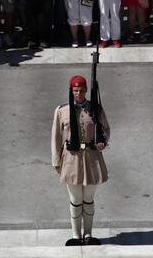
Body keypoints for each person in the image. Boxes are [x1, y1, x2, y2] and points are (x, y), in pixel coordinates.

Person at [51, 75, 110, 246]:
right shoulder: (61, 110)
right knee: (75, 198)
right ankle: (76, 235)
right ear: (71, 91)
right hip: (71, 158)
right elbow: (56, 138)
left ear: (86, 91)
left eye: (82, 90)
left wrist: (103, 141)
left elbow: (106, 128)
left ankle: (88, 235)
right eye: (75, 91)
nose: (79, 94)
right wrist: (56, 161)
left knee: (89, 198)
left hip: (92, 156)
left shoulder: (95, 108)